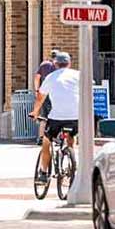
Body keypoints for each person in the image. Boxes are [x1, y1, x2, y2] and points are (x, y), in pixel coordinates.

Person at [29, 51, 79, 185]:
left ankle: (44, 173)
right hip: (76, 117)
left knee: (46, 142)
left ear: (55, 64)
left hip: (56, 118)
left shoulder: (51, 77)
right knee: (71, 136)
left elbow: (40, 97)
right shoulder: (78, 75)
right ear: (69, 63)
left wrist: (35, 112)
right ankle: (71, 161)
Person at [33, 50, 58, 144]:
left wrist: (37, 90)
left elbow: (37, 77)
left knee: (43, 116)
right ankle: (54, 136)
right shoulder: (58, 66)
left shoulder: (44, 65)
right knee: (56, 115)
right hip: (55, 93)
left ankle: (41, 137)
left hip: (44, 92)